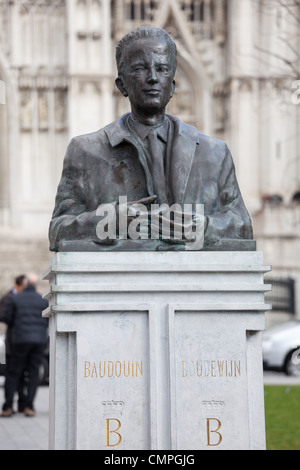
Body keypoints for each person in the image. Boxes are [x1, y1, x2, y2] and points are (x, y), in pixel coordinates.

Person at [49, 26, 253, 252]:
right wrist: (113, 220)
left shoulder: (214, 152)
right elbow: (59, 230)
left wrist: (201, 227)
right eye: (140, 68)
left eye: (162, 69)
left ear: (173, 86)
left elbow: (241, 226)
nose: (153, 78)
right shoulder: (86, 151)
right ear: (121, 85)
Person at [0, 274, 48, 417]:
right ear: (36, 285)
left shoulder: (15, 299)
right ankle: (29, 407)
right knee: (33, 373)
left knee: (14, 373)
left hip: (19, 341)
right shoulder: (42, 300)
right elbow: (46, 320)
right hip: (38, 341)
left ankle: (8, 407)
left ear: (25, 285)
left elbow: (6, 318)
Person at [0, 275, 28, 413]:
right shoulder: (8, 297)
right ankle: (8, 405)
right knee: (12, 376)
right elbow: (3, 316)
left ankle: (22, 404)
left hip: (22, 343)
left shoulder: (20, 298)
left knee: (23, 375)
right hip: (13, 344)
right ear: (21, 284)